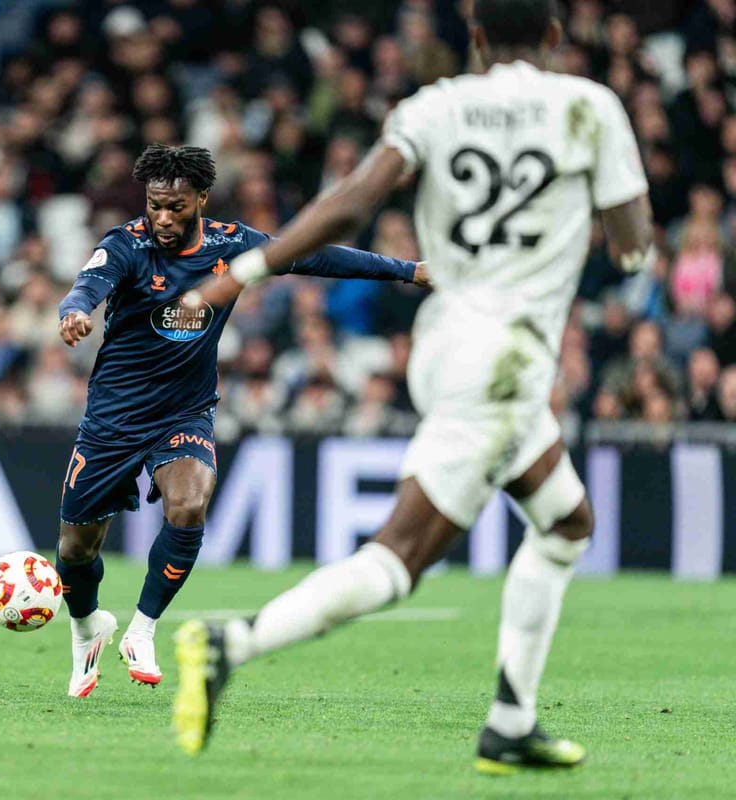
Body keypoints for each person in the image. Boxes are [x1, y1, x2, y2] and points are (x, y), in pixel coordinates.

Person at [172, 0, 653, 772]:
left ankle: (510, 721)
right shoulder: (591, 108)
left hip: (445, 342)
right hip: (504, 361)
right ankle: (232, 643)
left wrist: (243, 273)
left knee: (566, 523)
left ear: (477, 36)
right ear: (557, 37)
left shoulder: (434, 106)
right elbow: (631, 244)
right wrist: (620, 256)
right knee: (397, 560)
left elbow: (355, 200)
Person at [55, 143, 429, 698]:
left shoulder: (235, 245)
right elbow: (90, 284)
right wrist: (76, 311)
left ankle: (143, 628)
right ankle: (88, 627)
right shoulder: (126, 245)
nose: (161, 217)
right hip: (112, 417)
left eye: (175, 207)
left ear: (201, 199)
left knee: (189, 502)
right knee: (74, 550)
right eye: (154, 205)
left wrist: (409, 270)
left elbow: (317, 256)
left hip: (185, 411)